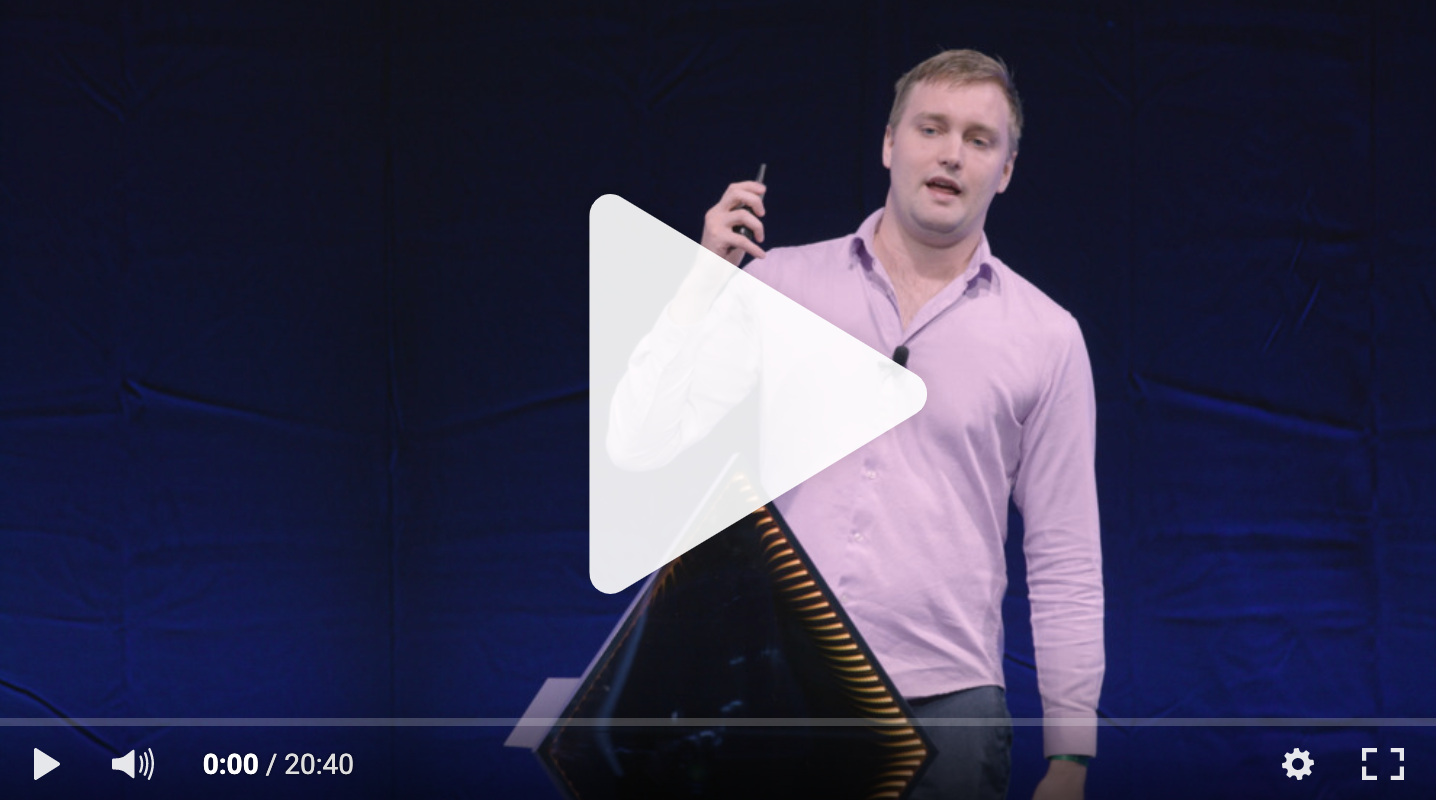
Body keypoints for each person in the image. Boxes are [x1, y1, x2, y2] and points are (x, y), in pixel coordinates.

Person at [608, 49, 1103, 800]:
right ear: (889, 144)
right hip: (778, 700)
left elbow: (1065, 555)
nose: (951, 154)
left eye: (978, 139)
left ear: (1005, 170)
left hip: (947, 714)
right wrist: (698, 287)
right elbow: (642, 444)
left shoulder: (1048, 337)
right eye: (931, 128)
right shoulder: (782, 284)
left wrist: (1071, 759)